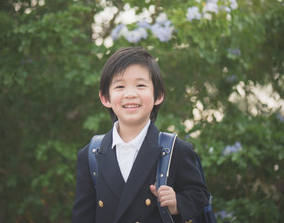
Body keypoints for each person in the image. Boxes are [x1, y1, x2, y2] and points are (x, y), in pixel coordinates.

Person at [71, 47, 209, 223]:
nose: (130, 94)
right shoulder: (90, 155)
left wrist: (177, 203)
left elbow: (199, 196)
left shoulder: (176, 149)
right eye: (120, 86)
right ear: (105, 98)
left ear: (158, 95)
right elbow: (82, 216)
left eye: (141, 85)